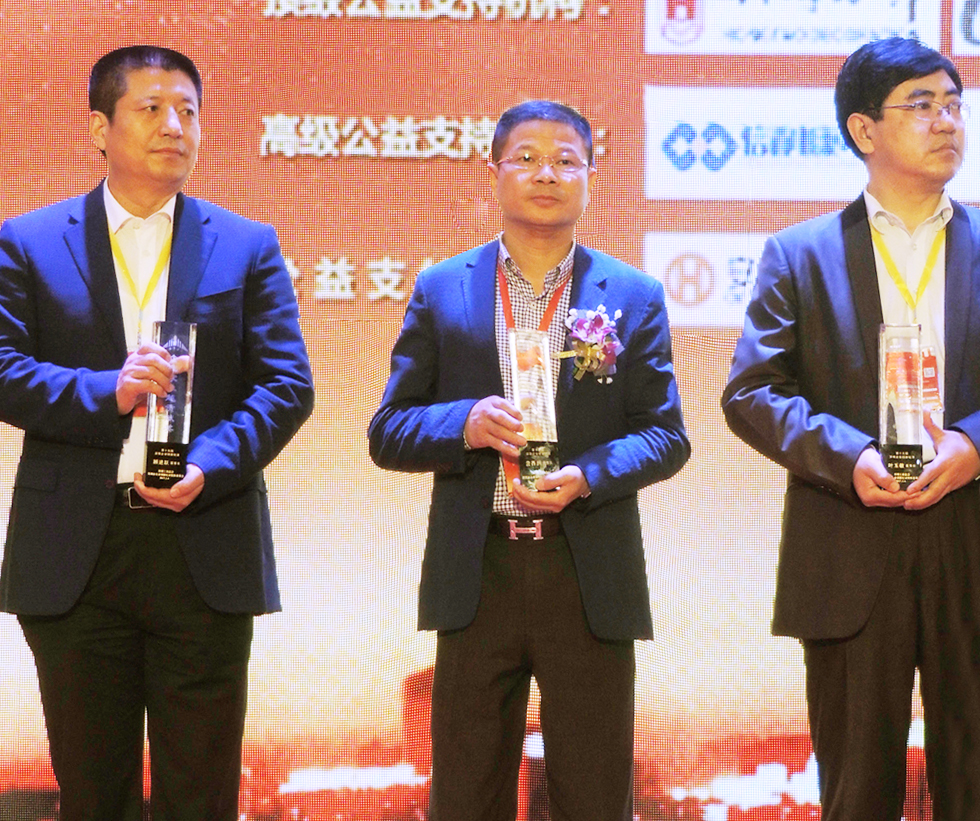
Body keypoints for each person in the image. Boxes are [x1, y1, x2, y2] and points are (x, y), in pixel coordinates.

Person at [0, 46, 314, 820]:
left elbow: (287, 385)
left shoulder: (246, 243)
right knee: (93, 793)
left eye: (188, 111)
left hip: (203, 539)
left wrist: (209, 462)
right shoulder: (28, 241)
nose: (175, 125)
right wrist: (106, 389)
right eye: (151, 108)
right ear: (99, 128)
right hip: (77, 548)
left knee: (200, 795)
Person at [369, 100, 689, 820]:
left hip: (587, 568)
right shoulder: (443, 287)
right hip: (477, 569)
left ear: (591, 176)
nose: (547, 173)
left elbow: (666, 435)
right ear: (494, 171)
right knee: (466, 796)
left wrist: (590, 475)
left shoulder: (631, 295)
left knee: (594, 797)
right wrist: (464, 423)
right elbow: (388, 430)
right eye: (527, 158)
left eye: (566, 160)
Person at [723, 37, 980, 819]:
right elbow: (752, 391)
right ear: (864, 130)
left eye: (954, 103)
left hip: (971, 534)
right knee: (857, 793)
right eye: (922, 105)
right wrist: (850, 455)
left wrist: (974, 442)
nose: (948, 121)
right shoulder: (798, 254)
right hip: (848, 539)